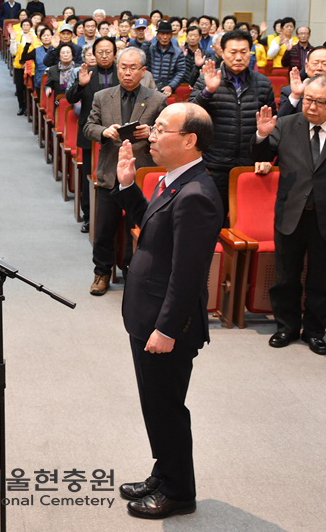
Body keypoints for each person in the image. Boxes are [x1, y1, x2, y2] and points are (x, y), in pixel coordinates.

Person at [114, 104, 220, 520]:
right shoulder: (173, 180)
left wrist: (167, 328)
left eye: (161, 130)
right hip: (148, 313)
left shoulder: (197, 195)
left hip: (166, 324)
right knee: (155, 404)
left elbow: (188, 274)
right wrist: (127, 188)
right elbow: (153, 229)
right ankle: (164, 471)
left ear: (190, 140)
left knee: (167, 407)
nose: (151, 136)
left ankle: (179, 492)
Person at [253, 75, 326, 355]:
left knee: (321, 278)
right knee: (285, 276)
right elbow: (259, 155)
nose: (312, 107)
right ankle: (286, 327)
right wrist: (261, 136)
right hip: (291, 212)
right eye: (308, 100)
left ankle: (315, 331)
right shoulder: (286, 124)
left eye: (319, 102)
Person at [83, 47, 166, 296]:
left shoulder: (157, 99)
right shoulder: (102, 96)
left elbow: (167, 133)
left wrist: (151, 132)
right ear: (117, 69)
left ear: (143, 71)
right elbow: (88, 127)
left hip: (142, 174)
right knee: (104, 229)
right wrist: (103, 132)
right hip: (110, 172)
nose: (127, 73)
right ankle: (101, 273)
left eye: (133, 68)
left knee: (138, 228)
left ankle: (135, 274)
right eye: (123, 67)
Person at [189, 30, 276, 221]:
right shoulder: (207, 80)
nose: (238, 57)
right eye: (233, 52)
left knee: (246, 223)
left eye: (244, 52)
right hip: (214, 166)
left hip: (249, 167)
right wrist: (208, 91)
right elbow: (191, 117)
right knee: (211, 221)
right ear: (222, 52)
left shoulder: (262, 83)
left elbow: (271, 125)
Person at [67, 37, 119, 232]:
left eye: (108, 52)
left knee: (115, 177)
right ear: (94, 54)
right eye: (100, 52)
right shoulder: (87, 73)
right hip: (90, 133)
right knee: (89, 176)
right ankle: (89, 216)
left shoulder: (122, 74)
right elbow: (71, 98)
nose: (104, 55)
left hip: (117, 135)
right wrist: (80, 85)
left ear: (114, 54)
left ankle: (112, 217)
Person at [144, 20, 185, 99]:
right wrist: (146, 42)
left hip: (168, 89)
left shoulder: (178, 52)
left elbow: (180, 72)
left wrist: (171, 86)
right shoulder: (150, 48)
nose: (165, 37)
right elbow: (142, 62)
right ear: (157, 35)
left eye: (168, 34)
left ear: (171, 35)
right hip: (150, 87)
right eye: (162, 34)